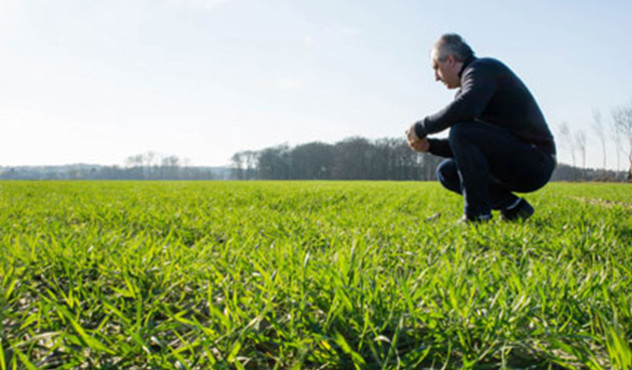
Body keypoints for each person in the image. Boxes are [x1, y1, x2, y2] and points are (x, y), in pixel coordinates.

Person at [406, 34, 556, 223]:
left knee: (462, 130)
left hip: (535, 162)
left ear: (450, 60)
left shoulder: (483, 69)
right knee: (447, 171)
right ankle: (514, 207)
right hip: (513, 160)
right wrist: (430, 146)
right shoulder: (469, 88)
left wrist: (421, 127)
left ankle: (477, 215)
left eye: (436, 67)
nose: (436, 77)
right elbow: (465, 146)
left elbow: (466, 112)